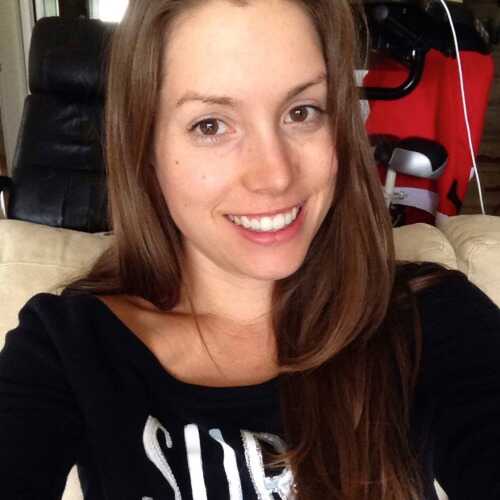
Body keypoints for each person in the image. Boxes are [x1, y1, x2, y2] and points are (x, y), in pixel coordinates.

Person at [1, 0, 499, 499]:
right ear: (145, 149)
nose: (274, 175)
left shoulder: (432, 320)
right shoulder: (66, 349)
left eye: (301, 112)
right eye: (211, 125)